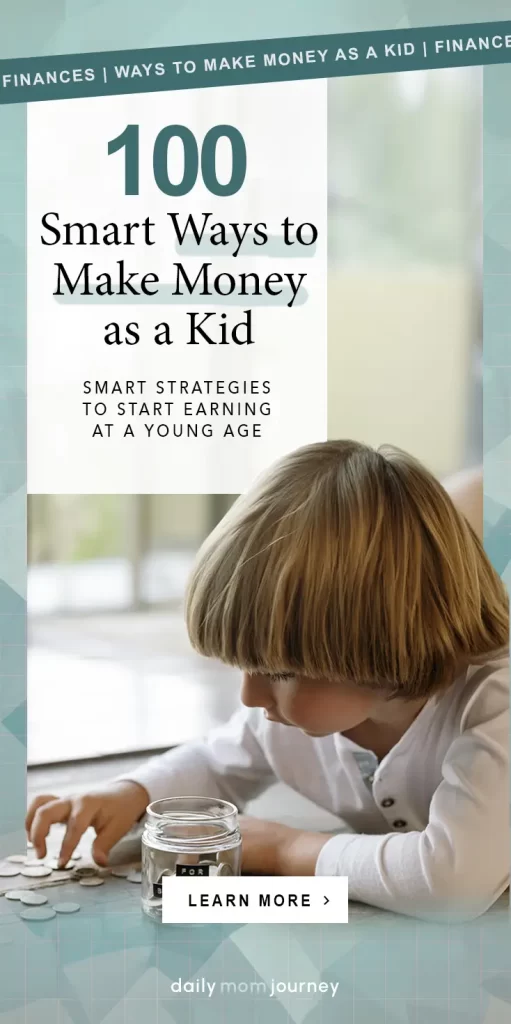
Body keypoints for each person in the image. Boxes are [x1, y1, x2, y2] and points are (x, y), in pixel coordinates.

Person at [26, 443, 508, 921]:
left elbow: (451, 883)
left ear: (385, 639)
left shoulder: (493, 702)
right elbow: (217, 761)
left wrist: (286, 848)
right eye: (244, 665)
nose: (249, 696)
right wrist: (133, 793)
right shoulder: (287, 722)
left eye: (279, 672)